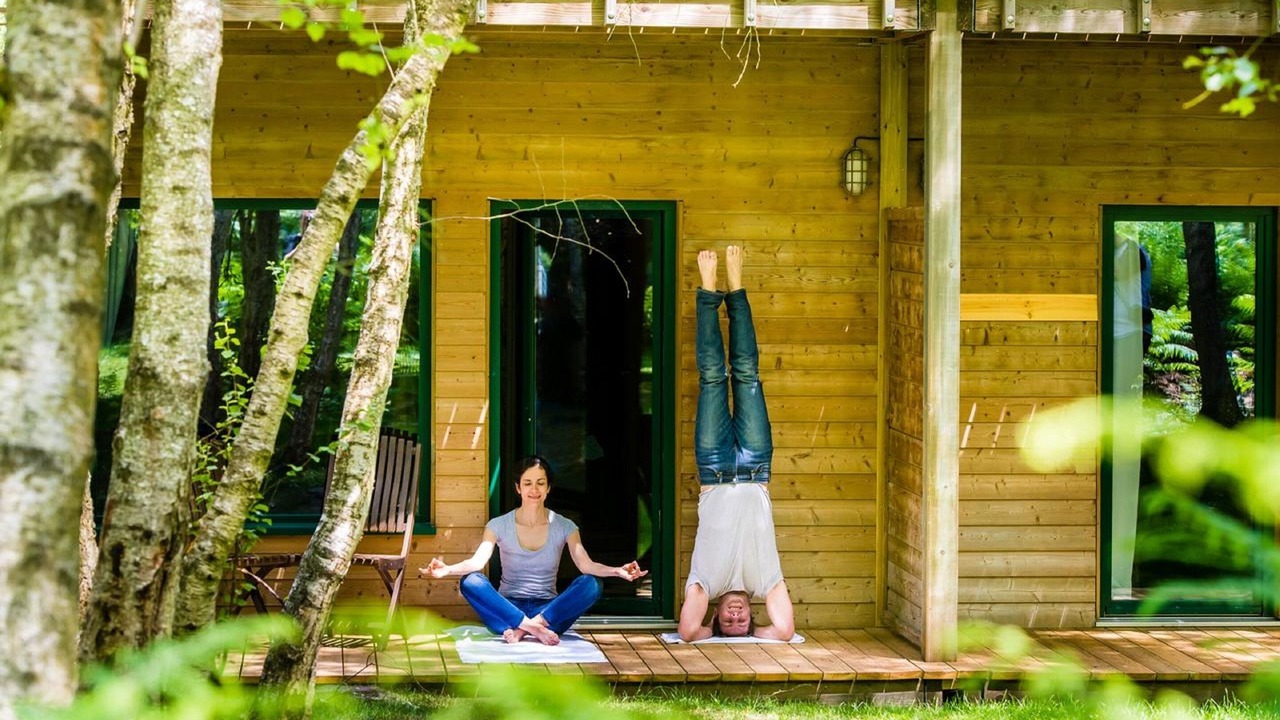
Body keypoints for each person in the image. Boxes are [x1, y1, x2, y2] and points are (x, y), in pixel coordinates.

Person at [678, 246, 795, 642]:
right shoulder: (766, 582)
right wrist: (749, 638)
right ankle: (737, 286)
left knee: (713, 377)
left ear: (715, 617)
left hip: (714, 467)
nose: (735, 619)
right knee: (747, 375)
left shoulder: (703, 585)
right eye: (741, 623)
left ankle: (709, 292)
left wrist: (717, 635)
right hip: (756, 466)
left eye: (727, 623)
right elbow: (784, 631)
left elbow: (688, 631)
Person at [420, 455, 647, 645]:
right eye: (528, 483)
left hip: (549, 611)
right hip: (507, 607)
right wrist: (447, 569)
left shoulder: (565, 526)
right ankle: (531, 627)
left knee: (591, 584)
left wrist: (617, 571)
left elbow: (585, 565)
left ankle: (525, 629)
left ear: (548, 488)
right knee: (470, 581)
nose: (534, 489)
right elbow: (477, 562)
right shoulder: (498, 525)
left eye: (540, 483)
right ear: (518, 488)